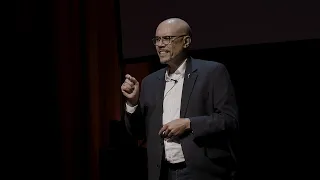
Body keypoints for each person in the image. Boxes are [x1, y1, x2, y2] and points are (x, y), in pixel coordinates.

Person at [121, 18, 239, 180]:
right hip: (163, 172)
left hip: (202, 171)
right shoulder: (149, 82)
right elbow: (138, 133)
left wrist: (189, 124)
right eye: (157, 40)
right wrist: (132, 103)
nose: (160, 45)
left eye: (167, 39)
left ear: (186, 41)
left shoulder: (212, 72)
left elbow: (229, 120)